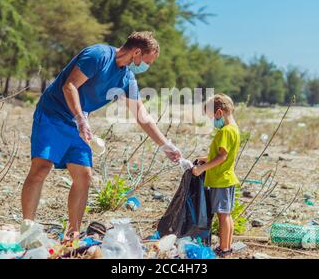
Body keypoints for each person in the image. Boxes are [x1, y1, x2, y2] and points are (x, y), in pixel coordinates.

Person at [21, 31, 182, 235]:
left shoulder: (127, 78)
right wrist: (80, 118)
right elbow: (69, 86)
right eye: (147, 61)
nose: (146, 67)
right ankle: (26, 230)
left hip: (79, 124)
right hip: (53, 115)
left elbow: (141, 114)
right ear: (137, 52)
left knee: (83, 175)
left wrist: (165, 144)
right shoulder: (98, 55)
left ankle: (73, 234)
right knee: (41, 168)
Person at [191, 93, 241, 258]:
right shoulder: (234, 129)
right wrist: (204, 159)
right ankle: (228, 246)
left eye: (211, 117)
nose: (212, 121)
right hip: (227, 178)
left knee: (223, 215)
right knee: (226, 214)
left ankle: (224, 248)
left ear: (219, 113)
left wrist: (202, 168)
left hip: (221, 180)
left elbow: (222, 157)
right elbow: (222, 154)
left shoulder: (225, 132)